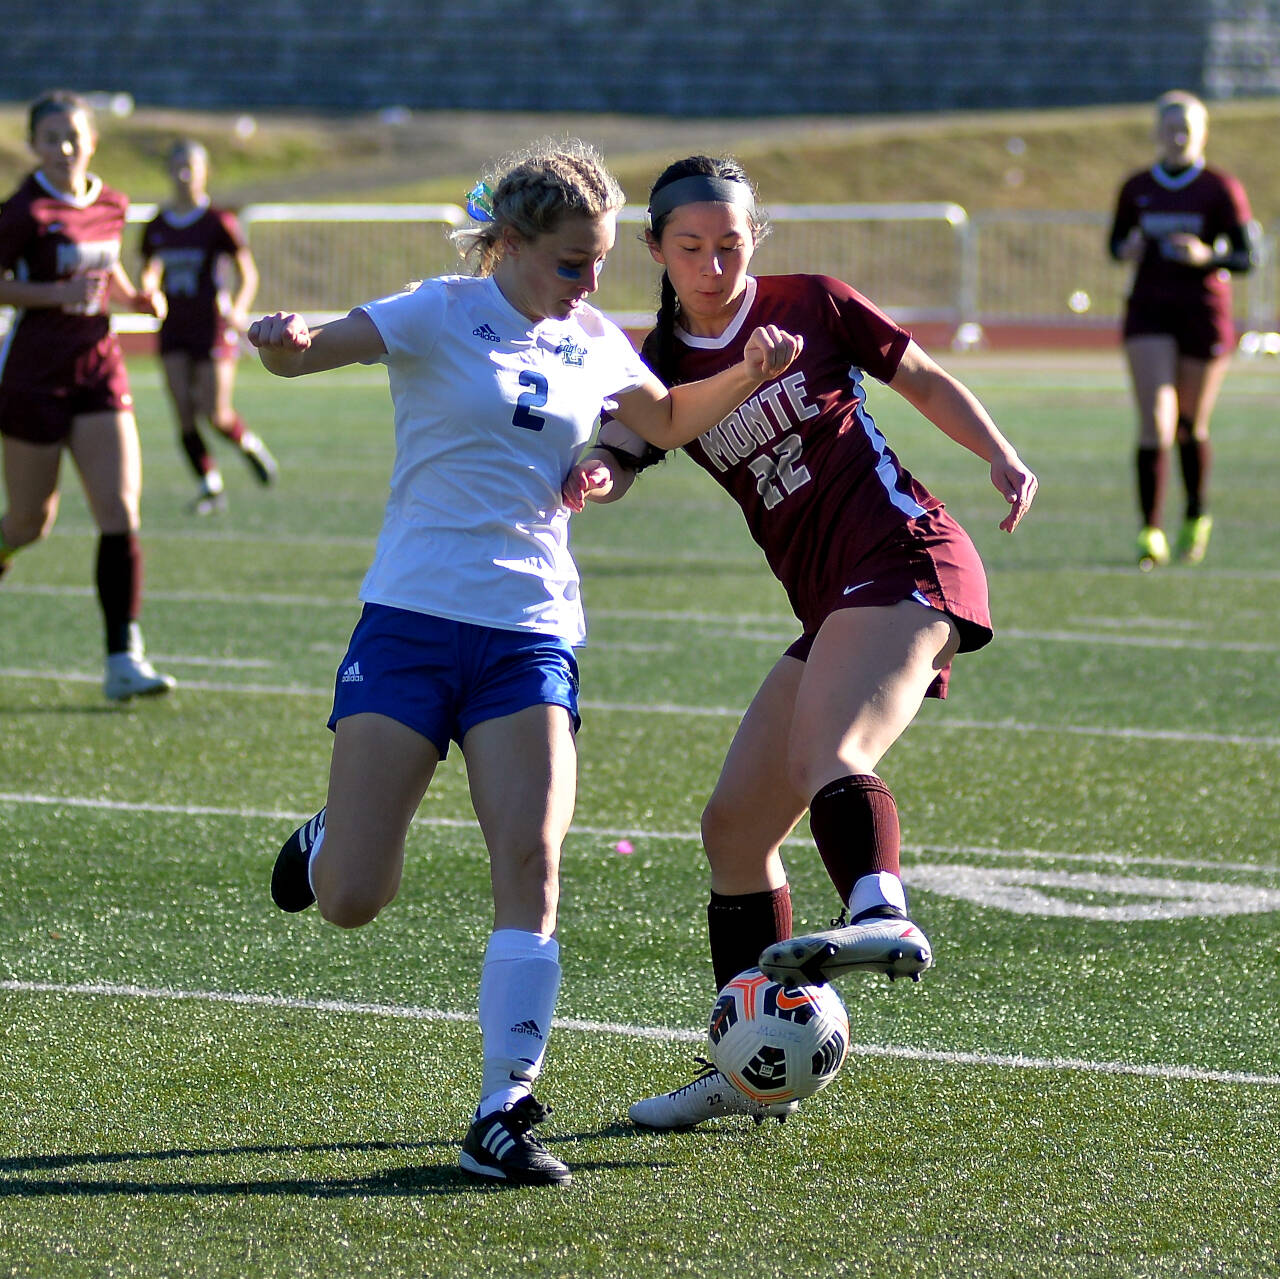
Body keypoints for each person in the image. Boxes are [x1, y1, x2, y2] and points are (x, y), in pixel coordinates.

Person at [250, 141, 800, 1186]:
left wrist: (746, 372)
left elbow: (667, 420)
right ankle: (329, 838)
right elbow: (312, 349)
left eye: (599, 263)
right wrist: (283, 339)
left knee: (533, 863)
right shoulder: (437, 310)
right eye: (568, 263)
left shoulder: (594, 340)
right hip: (409, 624)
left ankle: (503, 1104)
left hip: (529, 634)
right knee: (354, 897)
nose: (590, 284)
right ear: (507, 244)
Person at [564, 155, 1037, 1129]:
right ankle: (746, 1065)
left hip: (907, 557)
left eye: (730, 244)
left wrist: (996, 452)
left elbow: (920, 375)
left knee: (830, 752)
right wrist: (598, 473)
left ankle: (878, 906)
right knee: (733, 830)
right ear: (653, 249)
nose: (711, 263)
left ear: (754, 240)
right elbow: (626, 443)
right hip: (829, 599)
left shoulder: (813, 305)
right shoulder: (659, 361)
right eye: (688, 246)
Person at [0, 89, 175, 701]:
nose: (65, 147)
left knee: (120, 511)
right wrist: (54, 296)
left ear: (92, 140)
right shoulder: (23, 210)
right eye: (52, 138)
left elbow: (110, 272)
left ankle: (122, 657)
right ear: (35, 145)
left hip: (99, 370)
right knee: (29, 522)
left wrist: (137, 299)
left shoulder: (111, 203)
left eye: (74, 136)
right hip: (33, 376)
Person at [1108, 90, 1255, 569]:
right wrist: (1126, 248)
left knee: (1191, 425)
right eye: (1169, 128)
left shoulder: (1219, 188)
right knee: (1156, 421)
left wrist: (1206, 255)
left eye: (1185, 129)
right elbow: (1115, 242)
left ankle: (1195, 514)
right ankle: (1150, 532)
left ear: (1202, 134)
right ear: (1157, 133)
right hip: (1149, 311)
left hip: (1202, 312)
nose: (1176, 137)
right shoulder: (1136, 187)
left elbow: (1246, 256)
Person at [140, 139, 277, 515]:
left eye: (191, 167)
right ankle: (209, 485)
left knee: (215, 413)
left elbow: (247, 272)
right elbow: (150, 268)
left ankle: (248, 444)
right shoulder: (157, 225)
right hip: (174, 328)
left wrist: (239, 309)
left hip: (212, 327)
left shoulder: (218, 222)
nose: (183, 175)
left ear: (205, 172)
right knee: (183, 409)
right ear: (168, 171)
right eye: (177, 166)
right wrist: (149, 289)